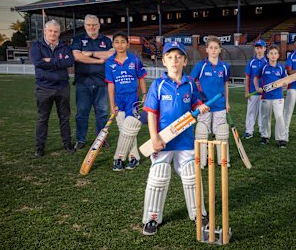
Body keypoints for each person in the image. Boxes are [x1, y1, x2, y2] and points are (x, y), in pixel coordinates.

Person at [141, 41, 210, 236]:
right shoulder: (158, 84)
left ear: (184, 61)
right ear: (163, 61)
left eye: (178, 57)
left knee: (191, 175)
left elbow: (195, 105)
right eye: (170, 57)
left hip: (185, 140)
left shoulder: (190, 84)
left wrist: (200, 108)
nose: (174, 60)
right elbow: (152, 113)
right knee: (159, 176)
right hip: (163, 141)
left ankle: (198, 213)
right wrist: (154, 138)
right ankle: (152, 218)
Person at [30, 20, 75, 157]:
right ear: (45, 31)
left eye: (55, 31)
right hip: (44, 88)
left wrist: (49, 60)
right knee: (43, 119)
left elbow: (69, 62)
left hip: (62, 87)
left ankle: (67, 144)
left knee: (65, 118)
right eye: (50, 31)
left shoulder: (64, 46)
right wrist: (58, 63)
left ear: (59, 33)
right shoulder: (37, 46)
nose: (52, 34)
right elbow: (38, 63)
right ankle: (40, 148)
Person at [105, 32, 147, 171]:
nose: (120, 44)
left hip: (132, 99)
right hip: (118, 100)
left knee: (129, 130)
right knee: (124, 130)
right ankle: (133, 157)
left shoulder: (134, 60)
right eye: (116, 42)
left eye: (123, 42)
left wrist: (144, 94)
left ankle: (122, 158)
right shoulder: (110, 62)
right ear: (113, 44)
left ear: (128, 44)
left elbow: (141, 78)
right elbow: (110, 84)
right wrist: (112, 104)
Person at [71, 14, 114, 150]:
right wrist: (99, 60)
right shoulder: (78, 39)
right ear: (85, 26)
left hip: (102, 82)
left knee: (102, 113)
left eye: (94, 24)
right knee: (82, 113)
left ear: (99, 25)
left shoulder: (106, 40)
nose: (91, 27)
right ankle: (81, 139)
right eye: (88, 25)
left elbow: (111, 54)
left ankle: (100, 139)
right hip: (83, 82)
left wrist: (89, 53)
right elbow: (77, 57)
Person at [190, 36, 230, 168]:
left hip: (219, 105)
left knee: (221, 132)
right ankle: (201, 161)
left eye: (216, 48)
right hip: (204, 106)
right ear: (206, 49)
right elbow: (191, 82)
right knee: (202, 131)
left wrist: (227, 102)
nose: (213, 50)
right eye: (211, 47)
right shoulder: (201, 66)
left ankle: (223, 160)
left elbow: (225, 85)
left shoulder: (224, 67)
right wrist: (197, 101)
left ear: (220, 50)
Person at [254, 45, 288, 148]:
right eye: (271, 53)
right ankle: (265, 137)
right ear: (267, 55)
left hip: (278, 97)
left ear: (278, 56)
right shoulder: (263, 67)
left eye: (275, 53)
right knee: (265, 117)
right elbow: (255, 78)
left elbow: (285, 80)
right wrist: (257, 88)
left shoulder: (281, 67)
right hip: (266, 97)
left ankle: (281, 138)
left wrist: (284, 83)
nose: (273, 56)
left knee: (279, 117)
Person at [243, 40, 268, 139]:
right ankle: (249, 131)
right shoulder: (251, 62)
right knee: (251, 112)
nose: (259, 50)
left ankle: (262, 131)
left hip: (264, 93)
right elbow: (248, 77)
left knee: (263, 113)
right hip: (253, 92)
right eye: (257, 48)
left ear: (265, 49)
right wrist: (246, 91)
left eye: (261, 47)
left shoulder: (267, 62)